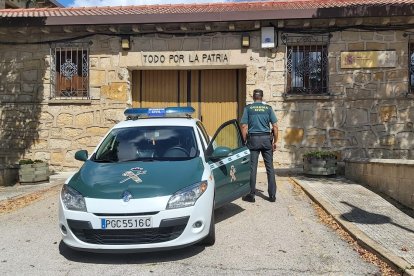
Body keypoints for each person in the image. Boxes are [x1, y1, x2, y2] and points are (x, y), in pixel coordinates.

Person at [240, 89, 278, 203]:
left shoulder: (248, 109)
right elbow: (275, 126)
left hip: (253, 141)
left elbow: (244, 127)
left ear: (253, 97)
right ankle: (272, 196)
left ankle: (251, 195)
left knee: (252, 168)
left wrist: (244, 141)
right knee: (270, 168)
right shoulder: (268, 108)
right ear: (262, 97)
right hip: (267, 140)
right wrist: (275, 141)